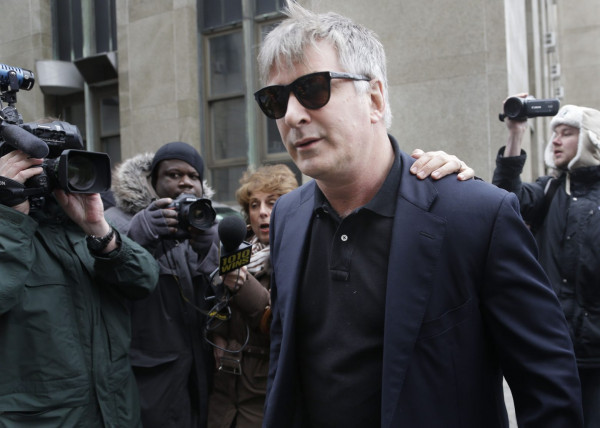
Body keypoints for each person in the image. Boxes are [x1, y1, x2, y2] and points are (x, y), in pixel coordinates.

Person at [253, 3, 583, 427]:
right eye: (276, 99)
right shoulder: (287, 216)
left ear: (374, 98)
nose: (292, 115)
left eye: (313, 89)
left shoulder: (476, 214)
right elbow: (285, 365)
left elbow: (549, 389)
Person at [0, 147, 159, 426]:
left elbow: (145, 279)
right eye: (35, 164)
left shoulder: (83, 228)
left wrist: (98, 228)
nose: (52, 172)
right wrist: (10, 219)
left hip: (116, 414)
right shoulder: (9, 231)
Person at [490, 98, 600, 427]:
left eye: (567, 133)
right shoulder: (549, 189)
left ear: (591, 140)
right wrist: (515, 133)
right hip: (549, 350)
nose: (555, 140)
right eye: (554, 133)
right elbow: (504, 199)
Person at [105, 142, 219, 428]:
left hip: (201, 369)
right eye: (173, 174)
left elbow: (224, 298)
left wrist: (211, 251)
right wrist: (137, 237)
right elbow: (104, 284)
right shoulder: (116, 221)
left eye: (193, 176)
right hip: (148, 373)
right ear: (153, 181)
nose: (185, 182)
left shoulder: (206, 223)